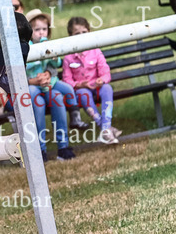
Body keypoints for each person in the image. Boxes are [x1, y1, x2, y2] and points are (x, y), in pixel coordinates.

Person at [23, 9, 76, 161]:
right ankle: (40, 150)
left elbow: (55, 64)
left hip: (48, 84)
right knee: (37, 103)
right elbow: (22, 68)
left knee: (57, 98)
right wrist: (37, 74)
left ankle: (63, 147)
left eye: (44, 29)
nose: (41, 33)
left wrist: (51, 57)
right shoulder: (25, 47)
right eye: (37, 29)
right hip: (30, 85)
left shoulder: (47, 44)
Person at [61, 16, 120, 144]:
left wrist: (102, 80)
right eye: (77, 33)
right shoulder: (69, 57)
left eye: (84, 32)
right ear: (70, 36)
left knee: (107, 88)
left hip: (98, 86)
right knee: (82, 94)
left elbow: (105, 72)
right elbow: (67, 80)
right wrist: (79, 84)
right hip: (83, 89)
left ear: (89, 32)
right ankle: (104, 127)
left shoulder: (96, 52)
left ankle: (106, 126)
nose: (81, 35)